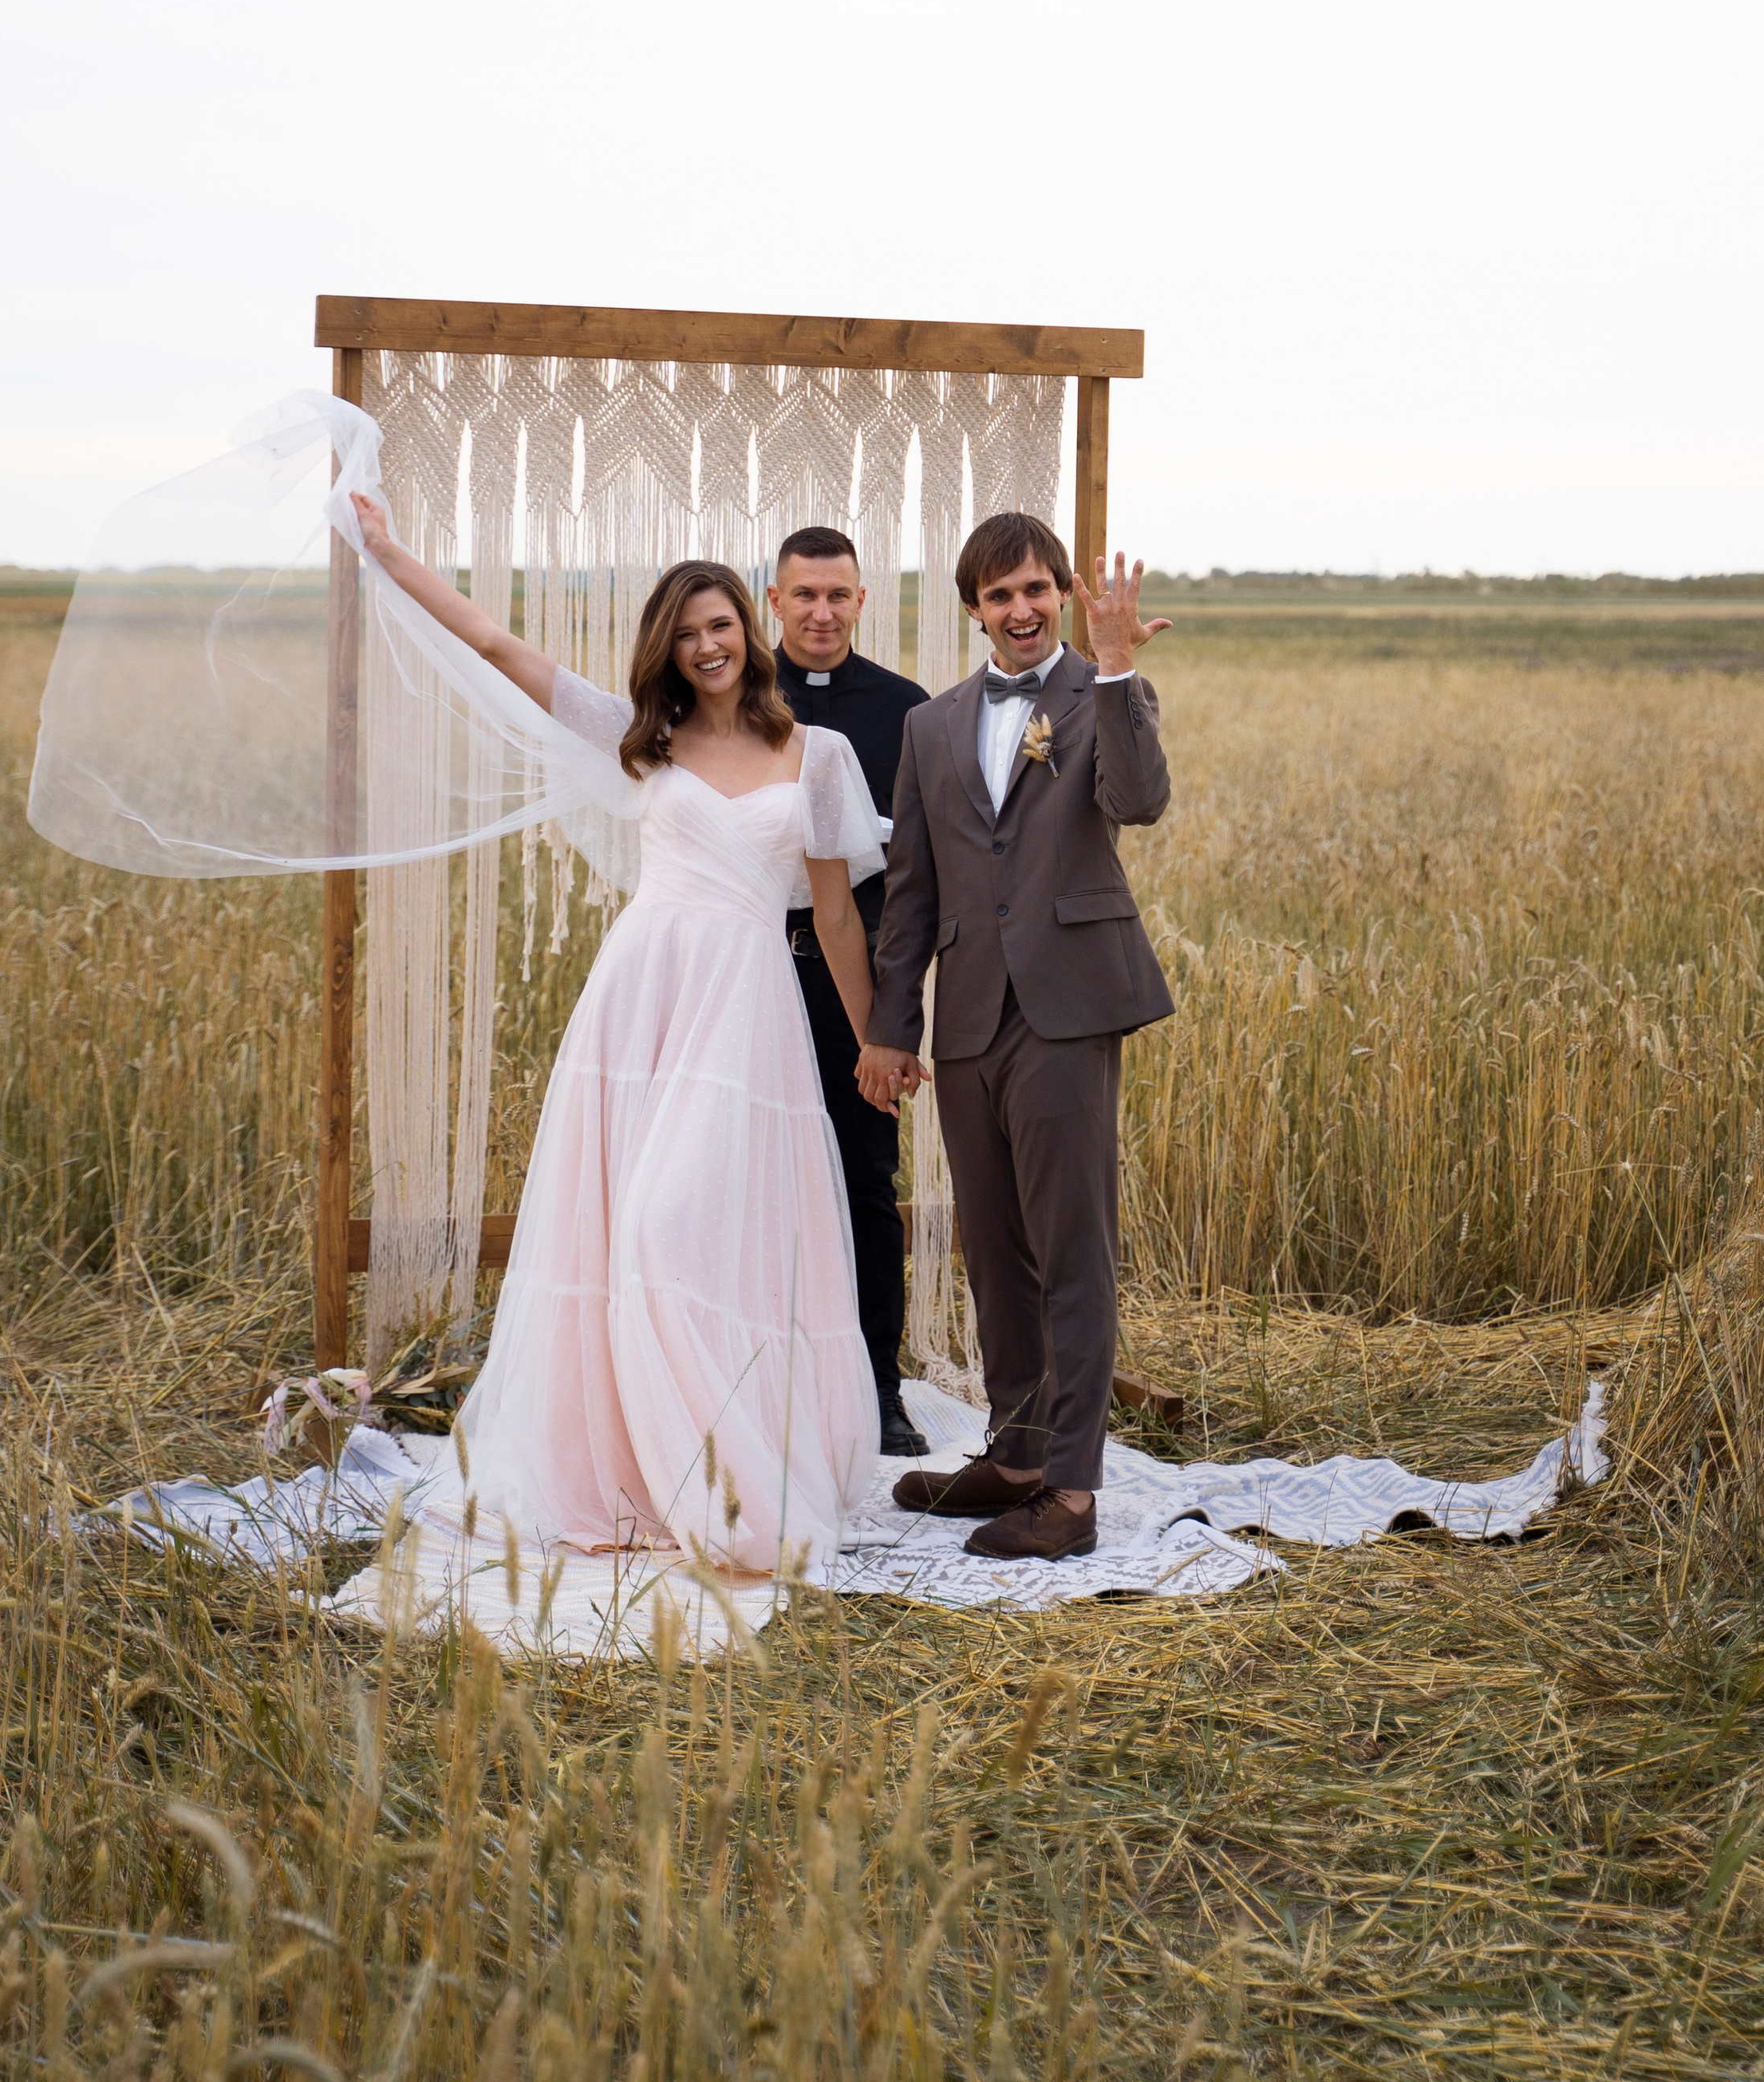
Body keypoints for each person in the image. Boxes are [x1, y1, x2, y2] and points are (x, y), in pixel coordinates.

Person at [347, 494, 888, 1575]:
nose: (708, 645)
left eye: (721, 623)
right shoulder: (646, 741)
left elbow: (831, 912)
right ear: (670, 652)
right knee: (629, 1230)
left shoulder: (816, 755)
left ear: (751, 623)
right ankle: (642, 1469)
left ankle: (736, 1470)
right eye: (687, 634)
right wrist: (396, 556)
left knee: (694, 1229)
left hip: (748, 1009)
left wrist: (875, 1043)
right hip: (644, 997)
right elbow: (500, 646)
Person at [858, 517, 1174, 1562]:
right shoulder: (932, 726)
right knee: (994, 1250)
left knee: (1069, 1251)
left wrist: (1120, 669)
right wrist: (893, 1028)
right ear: (975, 609)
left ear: (1058, 595)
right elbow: (912, 895)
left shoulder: (1101, 695)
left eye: (1038, 589)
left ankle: (1072, 1499)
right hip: (970, 1019)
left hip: (1069, 1005)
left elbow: (1141, 801)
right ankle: (1017, 1452)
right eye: (1000, 597)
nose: (1023, 610)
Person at [765, 527, 930, 1458]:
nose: (821, 613)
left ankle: (879, 1387)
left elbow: (920, 877)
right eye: (804, 596)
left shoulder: (906, 712)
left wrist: (892, 1020)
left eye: (838, 596)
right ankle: (756, 1376)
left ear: (862, 601)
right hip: (750, 969)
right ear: (774, 600)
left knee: (866, 1180)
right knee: (740, 1170)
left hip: (853, 981)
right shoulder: (735, 698)